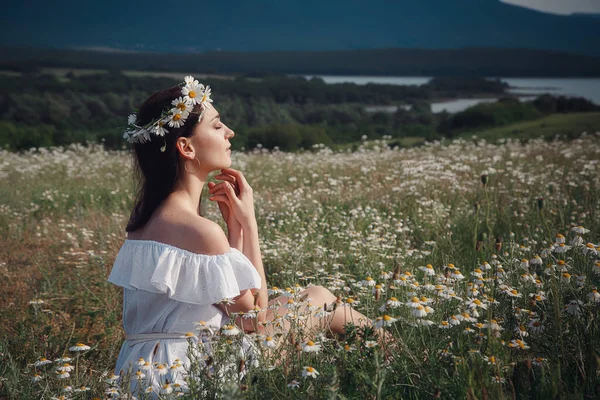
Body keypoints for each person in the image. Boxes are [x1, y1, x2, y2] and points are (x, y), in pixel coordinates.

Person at [107, 76, 375, 395]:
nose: (230, 132)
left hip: (142, 373)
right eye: (218, 125)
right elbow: (254, 321)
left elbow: (222, 302)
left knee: (309, 298)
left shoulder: (142, 225)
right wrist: (250, 225)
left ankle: (385, 359)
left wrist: (233, 232)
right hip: (193, 373)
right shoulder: (199, 230)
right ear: (186, 147)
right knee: (319, 298)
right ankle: (405, 361)